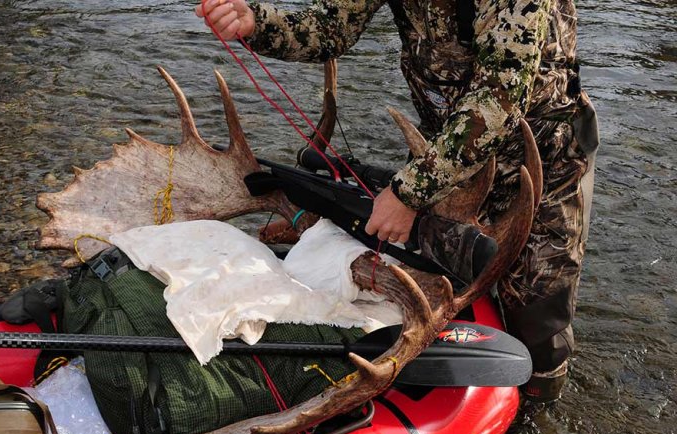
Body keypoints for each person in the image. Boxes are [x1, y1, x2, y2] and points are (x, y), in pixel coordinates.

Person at [195, 0, 599, 402]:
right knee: (422, 286)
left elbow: (502, 97)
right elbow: (330, 26)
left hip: (542, 172)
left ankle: (536, 427)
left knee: (538, 318)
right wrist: (256, 22)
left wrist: (408, 193)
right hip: (443, 162)